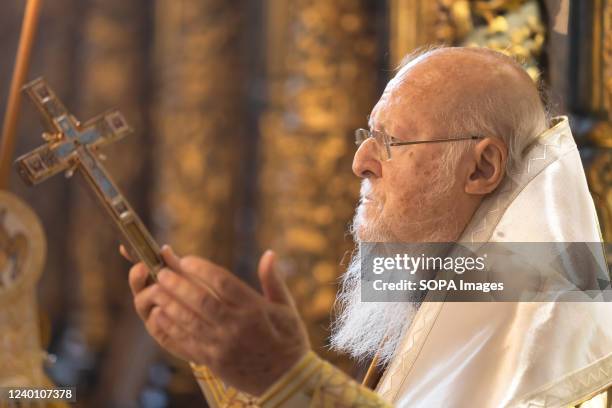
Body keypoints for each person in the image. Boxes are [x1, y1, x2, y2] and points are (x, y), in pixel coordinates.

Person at [123, 46, 612, 407]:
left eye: (391, 141)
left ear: (482, 168)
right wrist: (226, 359)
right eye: (367, 135)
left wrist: (288, 375)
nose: (360, 162)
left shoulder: (548, 332)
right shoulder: (447, 287)